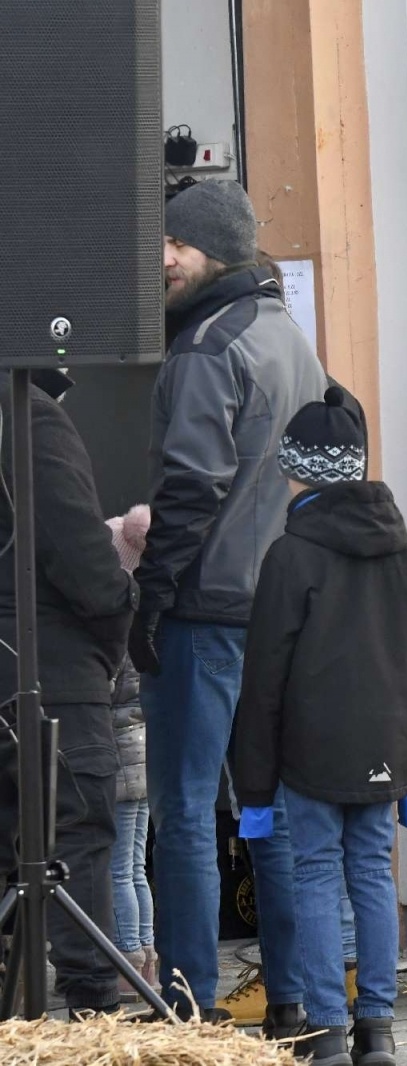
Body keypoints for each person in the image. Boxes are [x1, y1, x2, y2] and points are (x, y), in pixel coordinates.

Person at [131, 178, 326, 1026]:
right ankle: (292, 1004)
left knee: (181, 811)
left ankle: (187, 1007)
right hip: (280, 613)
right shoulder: (293, 340)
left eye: (174, 243)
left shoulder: (209, 346)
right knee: (269, 814)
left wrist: (151, 596)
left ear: (212, 247)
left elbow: (191, 484)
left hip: (206, 615)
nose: (162, 258)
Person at [231, 386, 407, 1066]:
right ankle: (376, 1030)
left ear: (296, 470)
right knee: (373, 876)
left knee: (316, 876)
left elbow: (263, 681)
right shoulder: (405, 553)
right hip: (386, 747)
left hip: (310, 754)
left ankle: (323, 1029)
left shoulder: (289, 558)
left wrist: (254, 791)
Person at [0, 367, 137, 1016]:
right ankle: (90, 1021)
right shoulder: (28, 415)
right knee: (75, 840)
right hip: (47, 674)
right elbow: (83, 558)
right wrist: (120, 626)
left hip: (30, 667)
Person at [106, 506, 157, 998]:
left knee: (118, 868)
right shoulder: (153, 624)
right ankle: (147, 962)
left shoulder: (119, 631)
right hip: (144, 760)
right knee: (136, 866)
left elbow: (109, 696)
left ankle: (127, 962)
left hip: (121, 761)